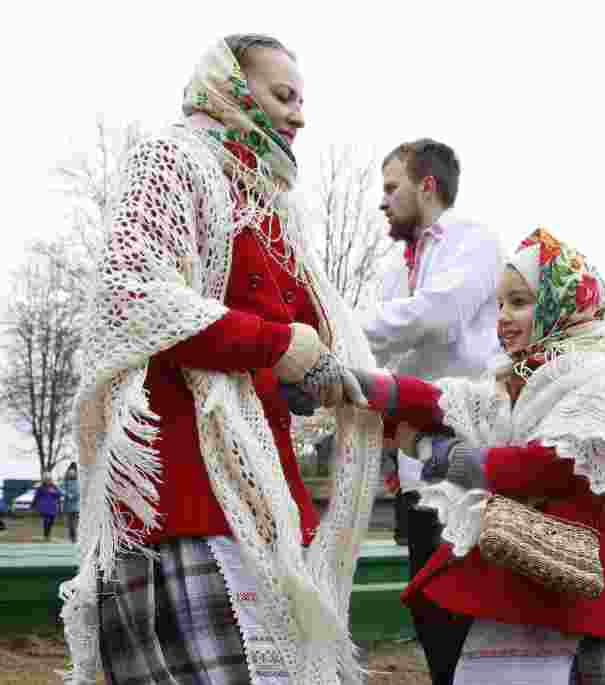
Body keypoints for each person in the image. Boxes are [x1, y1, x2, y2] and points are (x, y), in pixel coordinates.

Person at [60, 34, 381, 685]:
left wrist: (308, 376)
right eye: (283, 95)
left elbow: (295, 335)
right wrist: (278, 348)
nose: (298, 115)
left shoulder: (272, 205)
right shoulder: (171, 161)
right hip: (183, 505)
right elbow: (134, 294)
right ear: (230, 87)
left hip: (262, 507)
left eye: (302, 100)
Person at [344, 228, 605, 684]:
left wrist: (456, 458)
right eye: (499, 304)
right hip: (519, 575)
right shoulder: (519, 376)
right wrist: (365, 386)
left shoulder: (598, 373)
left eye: (519, 302)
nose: (503, 317)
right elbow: (445, 400)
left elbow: (556, 464)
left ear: (561, 303)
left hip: (575, 594)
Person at [359, 138, 505, 685]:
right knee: (429, 604)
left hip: (468, 455)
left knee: (466, 603)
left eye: (391, 187)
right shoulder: (394, 273)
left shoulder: (475, 242)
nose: (383, 201)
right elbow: (387, 356)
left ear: (427, 186)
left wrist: (339, 325)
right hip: (415, 462)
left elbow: (437, 317)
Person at [32, 473, 64, 542]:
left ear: (51, 479)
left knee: (51, 522)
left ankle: (48, 535)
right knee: (46, 521)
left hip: (53, 507)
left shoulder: (54, 487)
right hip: (44, 507)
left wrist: (54, 492)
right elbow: (36, 496)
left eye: (49, 479)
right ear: (44, 480)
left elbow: (60, 494)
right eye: (46, 479)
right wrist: (33, 504)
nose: (47, 480)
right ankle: (46, 536)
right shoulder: (41, 488)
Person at [63, 463, 81, 544]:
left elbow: (79, 492)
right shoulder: (65, 482)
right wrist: (67, 494)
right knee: (69, 524)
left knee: (74, 524)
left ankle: (74, 538)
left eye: (73, 473)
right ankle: (71, 538)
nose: (71, 475)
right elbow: (62, 489)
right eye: (70, 473)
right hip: (67, 507)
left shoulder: (78, 482)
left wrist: (74, 495)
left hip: (76, 507)